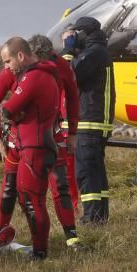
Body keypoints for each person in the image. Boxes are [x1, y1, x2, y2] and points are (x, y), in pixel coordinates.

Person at [0, 37, 61, 259]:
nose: (7, 68)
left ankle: (40, 252)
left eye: (8, 62)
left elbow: (8, 109)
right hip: (40, 145)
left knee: (32, 201)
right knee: (31, 200)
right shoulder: (48, 74)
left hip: (35, 147)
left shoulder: (34, 76)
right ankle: (39, 248)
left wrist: (16, 114)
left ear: (21, 56)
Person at [28, 33, 81, 244]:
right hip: (29, 133)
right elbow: (2, 98)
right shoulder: (22, 64)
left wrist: (73, 133)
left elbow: (74, 98)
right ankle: (36, 240)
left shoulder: (62, 66)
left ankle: (71, 237)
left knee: (59, 185)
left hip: (54, 130)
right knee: (26, 188)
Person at [63, 16, 116, 224]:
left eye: (76, 34)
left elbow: (68, 74)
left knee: (85, 172)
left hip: (89, 122)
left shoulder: (94, 53)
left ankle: (92, 218)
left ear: (83, 34)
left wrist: (68, 51)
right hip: (93, 123)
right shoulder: (96, 51)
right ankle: (99, 216)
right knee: (95, 173)